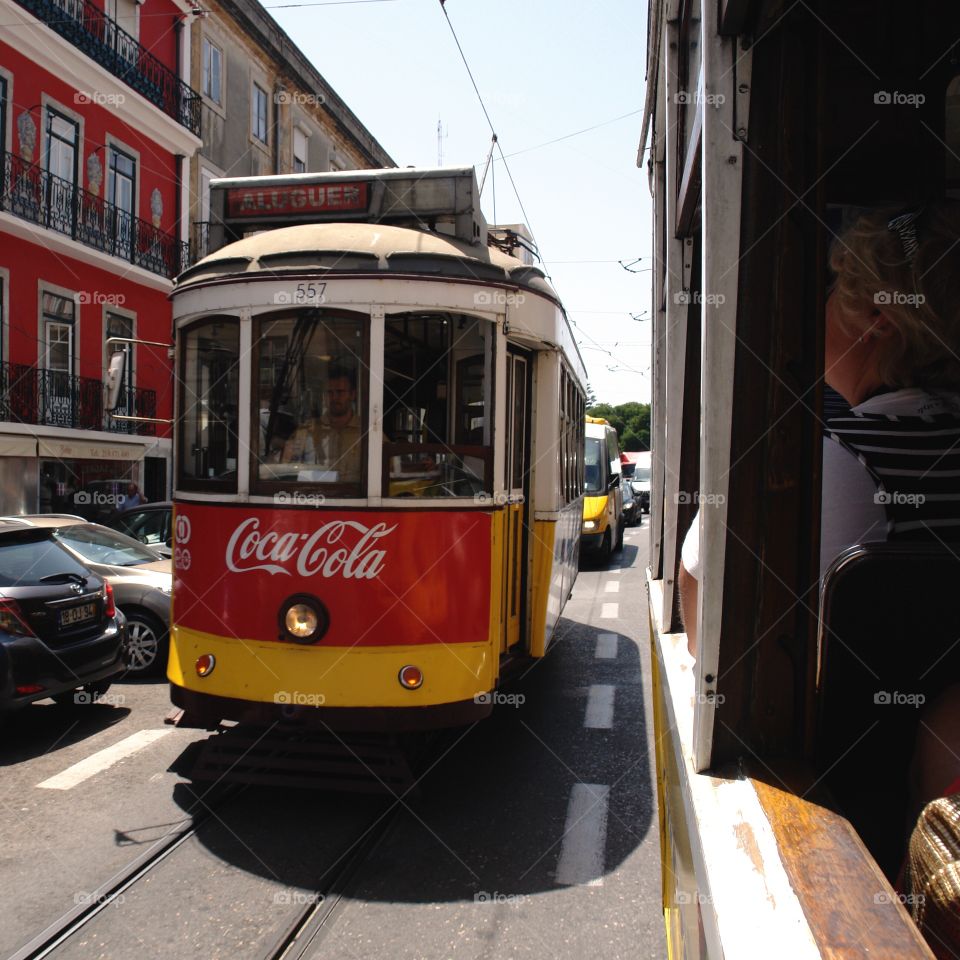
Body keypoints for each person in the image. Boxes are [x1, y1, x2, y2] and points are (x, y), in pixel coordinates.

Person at [310, 365, 362, 482]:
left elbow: (389, 469)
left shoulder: (368, 432)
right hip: (318, 497)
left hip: (355, 498)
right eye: (330, 392)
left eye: (340, 392)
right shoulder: (309, 431)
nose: (334, 397)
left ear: (352, 394)